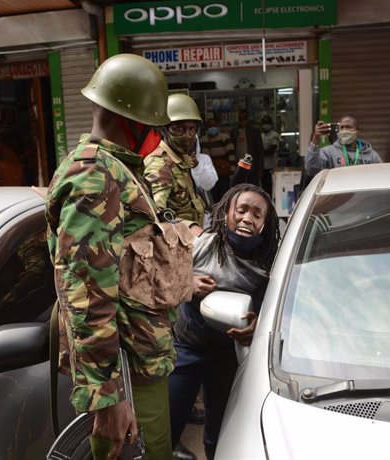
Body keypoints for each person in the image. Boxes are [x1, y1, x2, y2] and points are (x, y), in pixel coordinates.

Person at [45, 53, 175, 460]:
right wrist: (109, 397)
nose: (156, 136)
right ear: (133, 120)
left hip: (137, 362)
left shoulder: (113, 169)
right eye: (152, 125)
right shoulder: (95, 176)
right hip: (126, 373)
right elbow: (87, 293)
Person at [168, 183, 281, 460]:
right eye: (241, 210)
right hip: (186, 349)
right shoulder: (201, 246)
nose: (247, 219)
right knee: (168, 421)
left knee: (219, 432)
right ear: (225, 214)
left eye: (257, 215)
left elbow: (277, 310)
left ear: (265, 224)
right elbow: (160, 280)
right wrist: (187, 283)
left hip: (229, 357)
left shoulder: (269, 268)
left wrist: (258, 327)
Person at [144, 93, 206, 236]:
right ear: (164, 129)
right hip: (176, 246)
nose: (187, 135)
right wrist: (191, 229)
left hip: (191, 243)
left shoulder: (183, 159)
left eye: (192, 129)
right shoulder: (160, 165)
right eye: (179, 129)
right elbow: (155, 217)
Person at [305, 115, 382, 178]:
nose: (344, 130)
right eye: (341, 127)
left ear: (356, 130)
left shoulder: (372, 155)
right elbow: (312, 170)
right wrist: (315, 139)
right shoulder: (328, 152)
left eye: (348, 127)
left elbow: (381, 176)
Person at [200, 117, 235, 204]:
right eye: (210, 126)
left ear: (218, 126)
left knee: (224, 194)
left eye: (214, 125)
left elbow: (231, 154)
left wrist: (232, 170)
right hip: (210, 173)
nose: (212, 127)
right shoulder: (202, 140)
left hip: (223, 172)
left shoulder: (224, 138)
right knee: (213, 196)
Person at [230, 109, 264, 186]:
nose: (243, 121)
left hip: (252, 164)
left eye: (245, 118)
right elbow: (231, 148)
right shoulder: (234, 131)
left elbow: (260, 150)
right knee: (240, 187)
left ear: (248, 119)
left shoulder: (254, 131)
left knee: (253, 186)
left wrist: (260, 168)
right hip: (238, 164)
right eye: (241, 119)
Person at [260, 114, 280, 196]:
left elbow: (272, 150)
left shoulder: (274, 135)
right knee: (263, 189)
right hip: (262, 167)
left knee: (271, 188)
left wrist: (259, 153)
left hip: (271, 166)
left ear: (271, 124)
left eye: (267, 123)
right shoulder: (261, 135)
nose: (266, 125)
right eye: (264, 123)